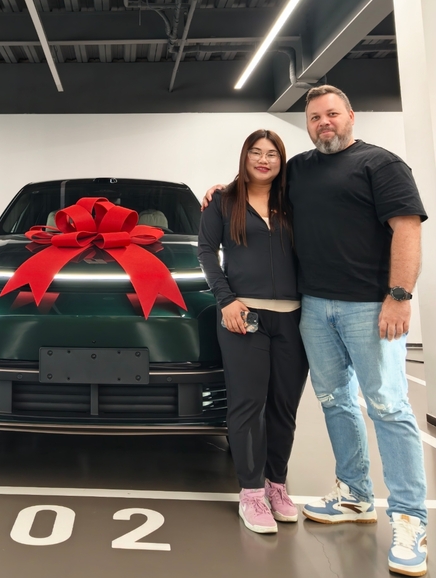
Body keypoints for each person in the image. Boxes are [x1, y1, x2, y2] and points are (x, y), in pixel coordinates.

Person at [203, 85, 428, 577]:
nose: (324, 122)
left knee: (388, 406)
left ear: (351, 115)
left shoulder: (381, 164)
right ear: (306, 125)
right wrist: (223, 189)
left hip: (369, 307)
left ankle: (410, 517)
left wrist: (399, 295)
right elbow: (256, 181)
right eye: (314, 117)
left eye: (332, 114)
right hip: (315, 307)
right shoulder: (300, 169)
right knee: (336, 401)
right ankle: (355, 494)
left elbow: (408, 228)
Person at [198, 129, 309, 534]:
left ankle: (276, 485)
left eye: (272, 154)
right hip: (242, 316)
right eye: (256, 153)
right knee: (248, 404)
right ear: (245, 157)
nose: (264, 160)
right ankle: (250, 493)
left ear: (282, 160)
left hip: (293, 318)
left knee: (284, 407)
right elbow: (206, 252)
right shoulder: (223, 202)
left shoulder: (294, 202)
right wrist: (226, 300)